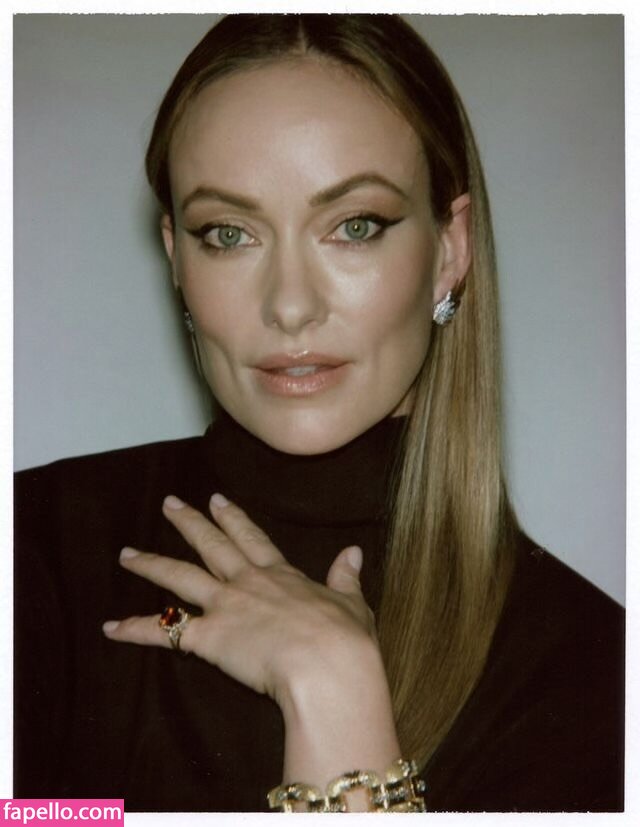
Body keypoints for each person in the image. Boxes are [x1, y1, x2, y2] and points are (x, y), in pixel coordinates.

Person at [14, 13, 623, 813]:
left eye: (354, 226)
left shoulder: (593, 673)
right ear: (175, 256)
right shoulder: (31, 548)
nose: (290, 305)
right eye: (228, 233)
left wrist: (339, 707)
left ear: (450, 248)